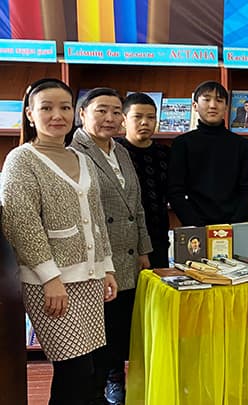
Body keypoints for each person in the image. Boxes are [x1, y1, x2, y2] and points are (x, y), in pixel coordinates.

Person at [1, 78, 117, 404]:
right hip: (51, 285)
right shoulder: (21, 160)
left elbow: (96, 218)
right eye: (47, 108)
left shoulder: (82, 158)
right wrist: (50, 278)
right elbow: (21, 223)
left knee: (89, 369)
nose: (57, 115)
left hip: (89, 280)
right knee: (73, 370)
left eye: (65, 107)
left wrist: (107, 267)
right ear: (30, 114)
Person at [70, 87, 153, 405]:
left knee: (119, 330)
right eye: (101, 110)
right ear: (82, 114)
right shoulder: (73, 152)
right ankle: (100, 391)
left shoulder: (120, 151)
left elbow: (136, 205)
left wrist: (144, 250)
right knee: (98, 337)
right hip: (97, 262)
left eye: (116, 111)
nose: (110, 118)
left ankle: (113, 385)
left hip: (128, 257)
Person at [168, 81, 248, 226]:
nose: (213, 105)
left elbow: (247, 190)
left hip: (236, 226)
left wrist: (232, 226)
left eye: (219, 100)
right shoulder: (182, 144)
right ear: (195, 106)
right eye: (207, 99)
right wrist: (198, 226)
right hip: (196, 227)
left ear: (226, 107)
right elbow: (175, 192)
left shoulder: (242, 145)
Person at [116, 92, 171, 268]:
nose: (145, 122)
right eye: (137, 117)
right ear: (124, 120)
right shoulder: (114, 151)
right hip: (124, 239)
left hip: (158, 235)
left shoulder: (165, 153)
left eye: (151, 117)